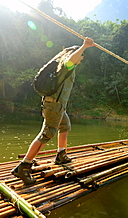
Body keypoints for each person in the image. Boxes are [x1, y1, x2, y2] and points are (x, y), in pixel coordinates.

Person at [12, 37, 96, 185]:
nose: (81, 60)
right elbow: (71, 59)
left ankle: (61, 154)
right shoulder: (66, 66)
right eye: (81, 58)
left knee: (65, 125)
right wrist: (83, 47)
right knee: (47, 133)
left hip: (57, 106)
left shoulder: (66, 68)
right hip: (54, 106)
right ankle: (24, 166)